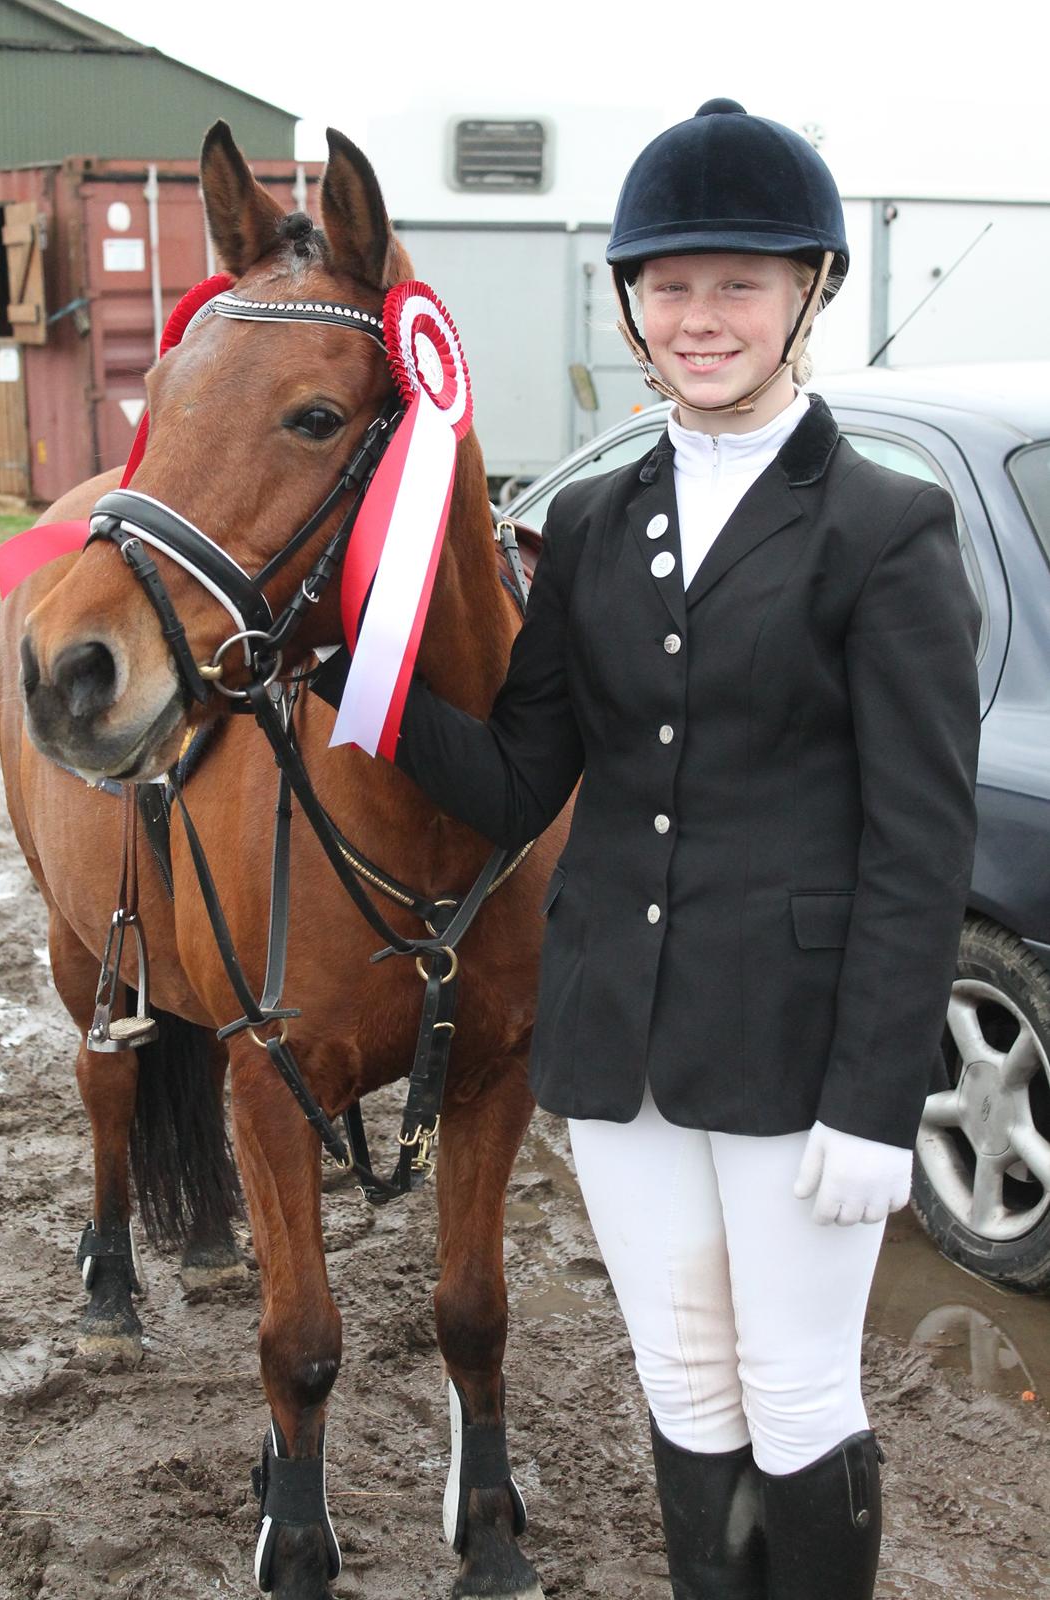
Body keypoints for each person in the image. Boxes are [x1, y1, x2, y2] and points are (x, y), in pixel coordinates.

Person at [316, 100, 982, 1599]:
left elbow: (920, 842)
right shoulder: (599, 519)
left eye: (738, 281)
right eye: (669, 284)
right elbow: (520, 776)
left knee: (799, 1399)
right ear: (630, 303)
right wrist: (357, 680)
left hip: (801, 1059)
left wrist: (881, 1098)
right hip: (620, 1051)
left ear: (809, 288)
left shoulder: (885, 528)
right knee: (685, 1391)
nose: (699, 317)